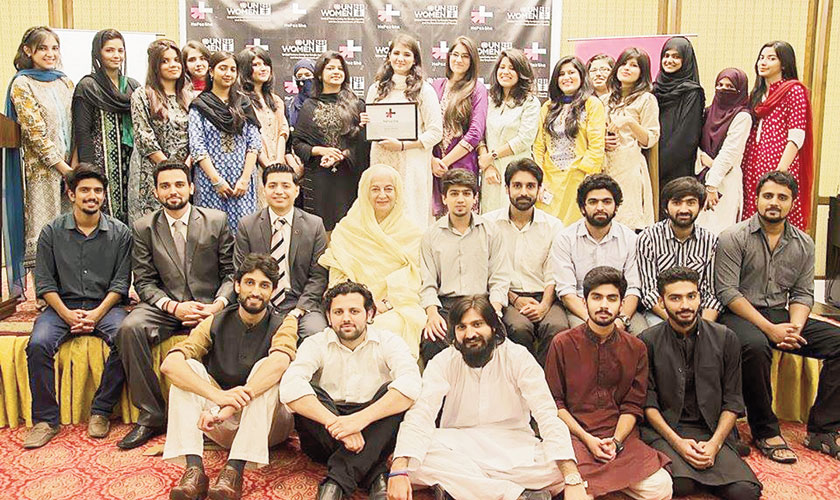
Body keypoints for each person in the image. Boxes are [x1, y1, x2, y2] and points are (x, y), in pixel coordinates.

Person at [387, 295, 586, 500]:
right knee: (406, 462)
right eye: (461, 327)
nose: (470, 334)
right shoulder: (444, 361)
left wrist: (572, 478)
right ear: (454, 332)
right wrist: (399, 468)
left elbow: (546, 414)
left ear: (493, 327)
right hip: (459, 445)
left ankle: (465, 489)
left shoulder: (518, 357)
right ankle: (515, 494)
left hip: (513, 448)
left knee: (556, 469)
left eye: (477, 324)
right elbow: (421, 413)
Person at [716, 171, 840, 463]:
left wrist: (794, 328)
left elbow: (802, 293)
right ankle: (764, 430)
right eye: (768, 196)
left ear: (793, 203)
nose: (774, 203)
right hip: (740, 313)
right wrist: (770, 329)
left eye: (782, 197)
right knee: (755, 346)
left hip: (782, 313)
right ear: (757, 199)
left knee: (838, 341)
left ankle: (823, 429)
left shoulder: (804, 244)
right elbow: (728, 292)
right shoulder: (733, 237)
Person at [117, 161, 235, 450]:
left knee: (233, 325)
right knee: (129, 328)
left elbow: (231, 274)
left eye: (179, 184)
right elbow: (144, 281)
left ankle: (221, 413)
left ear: (191, 188)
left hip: (209, 305)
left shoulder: (216, 220)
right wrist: (172, 307)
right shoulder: (144, 227)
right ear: (156, 191)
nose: (173, 191)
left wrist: (217, 305)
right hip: (166, 307)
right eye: (166, 185)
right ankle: (151, 414)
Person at [161, 254, 298, 500]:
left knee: (267, 367)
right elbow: (170, 365)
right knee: (187, 367)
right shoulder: (214, 321)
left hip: (269, 426)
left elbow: (279, 363)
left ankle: (234, 470)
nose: (255, 291)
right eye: (249, 283)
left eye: (264, 285)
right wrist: (219, 398)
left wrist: (226, 406)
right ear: (237, 285)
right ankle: (194, 472)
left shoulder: (284, 323)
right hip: (219, 422)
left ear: (273, 291)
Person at [279, 281, 421, 500]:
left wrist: (360, 421)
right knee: (310, 391)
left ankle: (335, 484)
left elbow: (411, 383)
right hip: (325, 431)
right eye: (338, 312)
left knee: (392, 393)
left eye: (354, 311)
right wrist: (337, 424)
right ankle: (375, 473)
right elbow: (289, 386)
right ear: (328, 316)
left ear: (370, 313)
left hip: (373, 424)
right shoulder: (315, 343)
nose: (346, 318)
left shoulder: (389, 341)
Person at [24, 164, 132, 448]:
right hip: (62, 306)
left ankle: (101, 411)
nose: (92, 196)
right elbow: (45, 283)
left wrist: (96, 315)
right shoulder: (51, 232)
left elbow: (120, 284)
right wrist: (67, 315)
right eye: (84, 190)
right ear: (71, 194)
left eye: (98, 190)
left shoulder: (120, 233)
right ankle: (45, 420)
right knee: (38, 344)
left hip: (105, 307)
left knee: (126, 336)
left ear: (105, 196)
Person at [545, 266, 672, 500]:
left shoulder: (636, 347)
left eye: (612, 298)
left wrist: (615, 441)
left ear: (621, 304)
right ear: (585, 302)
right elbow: (556, 404)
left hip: (619, 438)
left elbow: (632, 405)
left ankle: (603, 487)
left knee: (662, 486)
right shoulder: (562, 343)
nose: (604, 305)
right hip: (575, 437)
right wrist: (588, 440)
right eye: (597, 297)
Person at [641, 267, 763, 500]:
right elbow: (649, 404)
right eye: (675, 298)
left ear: (700, 297)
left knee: (745, 493)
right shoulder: (648, 340)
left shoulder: (725, 338)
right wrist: (678, 444)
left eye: (691, 296)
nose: (685, 305)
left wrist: (715, 444)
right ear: (661, 301)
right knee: (680, 485)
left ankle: (726, 452)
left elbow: (733, 401)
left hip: (712, 430)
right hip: (668, 429)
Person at [319, 164, 426, 358]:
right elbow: (338, 277)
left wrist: (386, 303)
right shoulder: (347, 229)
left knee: (389, 327)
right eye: (375, 189)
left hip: (396, 306)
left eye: (388, 189)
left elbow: (415, 276)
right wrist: (362, 303)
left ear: (398, 192)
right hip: (352, 306)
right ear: (364, 192)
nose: (382, 195)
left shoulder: (412, 232)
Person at [5, 26, 73, 291]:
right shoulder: (22, 83)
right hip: (43, 171)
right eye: (43, 48)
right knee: (45, 231)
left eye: (54, 48)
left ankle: (71, 287)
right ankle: (45, 292)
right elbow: (36, 133)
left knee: (71, 229)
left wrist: (75, 167)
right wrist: (64, 168)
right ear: (28, 51)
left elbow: (76, 124)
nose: (50, 54)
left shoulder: (65, 81)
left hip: (71, 167)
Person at [419, 169, 511, 362]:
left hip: (482, 302)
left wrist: (494, 310)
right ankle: (440, 393)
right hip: (447, 306)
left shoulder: (491, 231)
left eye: (466, 193)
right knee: (432, 341)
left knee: (497, 341)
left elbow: (500, 278)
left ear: (475, 198)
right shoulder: (430, 235)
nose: (460, 199)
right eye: (454, 193)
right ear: (444, 198)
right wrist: (432, 313)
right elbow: (427, 282)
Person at [483, 159, 567, 365]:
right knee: (519, 328)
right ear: (507, 189)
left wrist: (545, 305)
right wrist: (514, 299)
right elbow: (486, 270)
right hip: (507, 295)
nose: (523, 192)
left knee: (557, 329)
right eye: (517, 186)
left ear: (539, 189)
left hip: (545, 295)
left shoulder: (553, 226)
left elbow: (553, 271)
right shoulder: (489, 224)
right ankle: (522, 387)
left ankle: (548, 389)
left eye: (530, 186)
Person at [234, 163, 329, 340]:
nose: (279, 191)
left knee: (315, 334)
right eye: (272, 186)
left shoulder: (314, 225)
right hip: (260, 300)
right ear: (263, 190)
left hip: (302, 302)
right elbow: (241, 271)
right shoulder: (247, 225)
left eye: (286, 186)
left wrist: (299, 309)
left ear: (297, 190)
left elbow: (319, 276)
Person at [551, 174, 647, 334]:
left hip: (619, 308)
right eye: (593, 202)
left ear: (616, 207)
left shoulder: (630, 239)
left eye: (607, 202)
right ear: (582, 208)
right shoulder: (565, 239)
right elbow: (566, 291)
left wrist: (621, 319)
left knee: (641, 334)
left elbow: (633, 289)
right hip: (581, 309)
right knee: (583, 336)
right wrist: (592, 321)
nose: (600, 207)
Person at [366, 34, 442, 229]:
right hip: (381, 158)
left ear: (415, 59)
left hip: (412, 162)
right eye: (396, 53)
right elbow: (374, 125)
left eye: (406, 54)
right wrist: (366, 122)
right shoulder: (376, 89)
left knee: (410, 216)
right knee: (381, 214)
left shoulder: (425, 90)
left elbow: (435, 132)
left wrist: (402, 145)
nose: (400, 58)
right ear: (389, 57)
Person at [291, 51, 370, 232]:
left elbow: (363, 146)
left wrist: (343, 153)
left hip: (349, 179)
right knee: (321, 231)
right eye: (330, 68)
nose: (336, 72)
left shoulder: (357, 105)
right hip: (320, 179)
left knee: (350, 231)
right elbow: (298, 143)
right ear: (320, 74)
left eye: (340, 68)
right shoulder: (309, 106)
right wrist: (320, 151)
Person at [741, 41, 814, 231]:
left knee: (777, 215)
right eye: (761, 58)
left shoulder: (793, 90)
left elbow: (796, 136)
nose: (763, 62)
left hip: (779, 165)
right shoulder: (756, 94)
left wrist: (779, 172)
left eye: (771, 58)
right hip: (752, 164)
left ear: (783, 64)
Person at [188, 51, 262, 233]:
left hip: (242, 184)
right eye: (223, 68)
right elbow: (197, 147)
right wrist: (216, 180)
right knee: (210, 236)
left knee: (242, 236)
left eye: (232, 69)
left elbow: (254, 143)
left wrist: (244, 179)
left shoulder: (244, 103)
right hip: (209, 183)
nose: (228, 73)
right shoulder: (200, 105)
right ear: (211, 72)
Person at [72, 28, 139, 224]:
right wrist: (89, 170)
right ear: (98, 53)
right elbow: (82, 132)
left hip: (130, 161)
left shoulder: (133, 86)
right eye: (109, 50)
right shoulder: (87, 86)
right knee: (104, 215)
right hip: (100, 162)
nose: (116, 55)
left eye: (120, 50)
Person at [637, 177, 723, 326]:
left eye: (691, 203)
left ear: (701, 206)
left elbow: (711, 293)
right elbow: (649, 292)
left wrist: (701, 328)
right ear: (665, 207)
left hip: (698, 314)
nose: (684, 209)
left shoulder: (710, 241)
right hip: (660, 314)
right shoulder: (648, 238)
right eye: (677, 203)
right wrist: (677, 323)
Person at [533, 55, 605, 225]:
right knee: (547, 228)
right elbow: (538, 146)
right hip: (549, 180)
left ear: (581, 76)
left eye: (571, 72)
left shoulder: (592, 104)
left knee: (574, 230)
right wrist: (538, 177)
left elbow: (596, 146)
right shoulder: (548, 107)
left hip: (579, 178)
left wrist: (586, 177)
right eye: (561, 74)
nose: (566, 77)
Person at [128, 39, 191, 223]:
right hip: (151, 172)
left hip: (185, 171)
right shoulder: (142, 95)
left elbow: (196, 136)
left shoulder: (189, 95)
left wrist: (184, 167)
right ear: (155, 66)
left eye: (176, 60)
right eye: (165, 61)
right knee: (152, 226)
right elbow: (144, 136)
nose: (173, 65)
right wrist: (169, 169)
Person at [602, 47, 659, 230]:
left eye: (634, 65)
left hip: (629, 166)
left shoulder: (646, 100)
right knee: (602, 216)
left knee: (626, 221)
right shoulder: (604, 100)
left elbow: (650, 138)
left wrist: (628, 122)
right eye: (624, 64)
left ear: (642, 72)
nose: (627, 68)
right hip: (604, 164)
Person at [477, 49, 540, 213]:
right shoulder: (489, 100)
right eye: (502, 67)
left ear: (521, 72)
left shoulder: (530, 102)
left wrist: (491, 156)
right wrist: (487, 166)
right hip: (490, 173)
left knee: (515, 216)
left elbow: (524, 139)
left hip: (517, 169)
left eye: (511, 68)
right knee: (490, 219)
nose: (505, 72)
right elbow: (479, 134)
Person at [431, 36, 487, 217]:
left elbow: (475, 133)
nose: (459, 60)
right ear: (448, 57)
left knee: (464, 221)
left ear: (472, 61)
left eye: (465, 56)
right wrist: (432, 161)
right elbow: (424, 127)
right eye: (455, 54)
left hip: (462, 165)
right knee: (438, 224)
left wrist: (445, 162)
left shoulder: (477, 89)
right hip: (434, 167)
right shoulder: (434, 87)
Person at [695, 68, 751, 234]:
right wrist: (702, 157)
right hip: (700, 177)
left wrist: (712, 185)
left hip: (725, 181)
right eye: (720, 85)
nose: (723, 89)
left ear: (740, 91)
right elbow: (693, 143)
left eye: (730, 86)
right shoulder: (707, 112)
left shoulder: (743, 116)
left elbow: (730, 152)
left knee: (721, 234)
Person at [236, 46, 292, 209]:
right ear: (246, 69)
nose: (263, 68)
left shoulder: (276, 100)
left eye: (265, 64)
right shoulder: (241, 101)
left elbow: (283, 132)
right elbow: (251, 136)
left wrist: (278, 162)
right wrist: (267, 164)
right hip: (254, 165)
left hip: (278, 165)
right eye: (256, 65)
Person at [654, 36, 704, 195]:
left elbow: (686, 137)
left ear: (686, 60)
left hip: (676, 167)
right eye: (666, 56)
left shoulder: (692, 92)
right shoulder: (654, 89)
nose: (669, 60)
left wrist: (658, 167)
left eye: (676, 56)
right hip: (651, 163)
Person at [285, 58, 315, 130]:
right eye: (299, 76)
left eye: (307, 75)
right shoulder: (289, 106)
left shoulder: (325, 104)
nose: (303, 78)